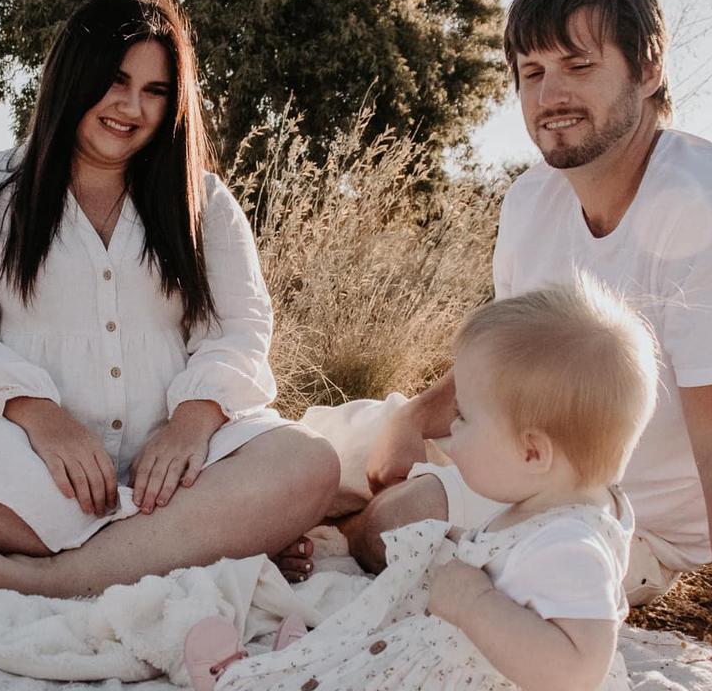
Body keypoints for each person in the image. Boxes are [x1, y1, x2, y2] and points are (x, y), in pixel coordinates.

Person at [336, 0, 712, 682]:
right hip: (524, 453)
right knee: (313, 462)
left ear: (648, 68)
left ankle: (332, 540)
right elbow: (517, 357)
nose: (550, 95)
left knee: (392, 523)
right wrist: (415, 415)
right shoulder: (532, 200)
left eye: (579, 65)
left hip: (619, 511)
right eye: (532, 72)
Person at [0, 0, 340, 601]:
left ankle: (63, 572)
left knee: (309, 464)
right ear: (74, 76)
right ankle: (204, 538)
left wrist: (192, 424)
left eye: (155, 91)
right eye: (116, 81)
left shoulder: (206, 203)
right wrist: (43, 419)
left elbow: (240, 332)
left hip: (186, 468)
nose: (131, 108)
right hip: (32, 463)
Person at [187, 278, 656, 691]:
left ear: (532, 452)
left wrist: (474, 602)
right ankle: (314, 660)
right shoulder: (546, 504)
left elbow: (578, 674)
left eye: (465, 418)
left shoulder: (573, 546)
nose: (450, 431)